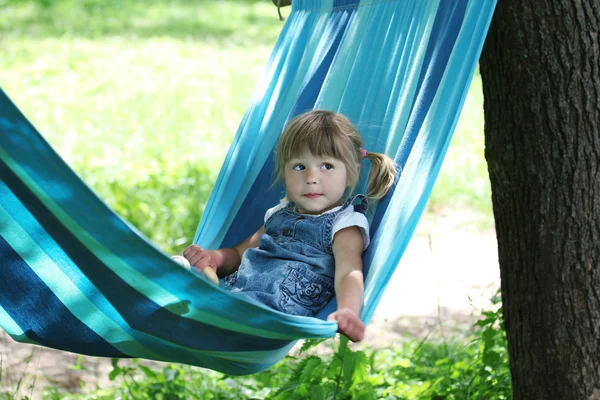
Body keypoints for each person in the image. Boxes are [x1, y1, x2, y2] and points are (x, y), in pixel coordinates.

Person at [181, 110, 396, 342]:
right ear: (284, 174)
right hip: (236, 294)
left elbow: (349, 271)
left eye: (326, 166)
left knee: (197, 305)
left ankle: (183, 315)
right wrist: (213, 258)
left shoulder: (344, 223)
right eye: (299, 167)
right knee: (187, 280)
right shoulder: (278, 213)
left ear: (351, 174)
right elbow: (238, 253)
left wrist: (348, 311)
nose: (312, 177)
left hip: (271, 314)